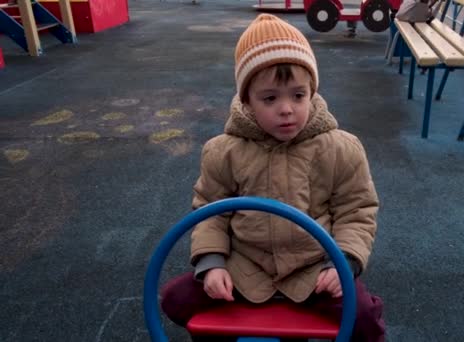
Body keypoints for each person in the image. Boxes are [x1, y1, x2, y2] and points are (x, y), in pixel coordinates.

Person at [160, 13, 384, 342]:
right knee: (175, 299)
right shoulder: (224, 151)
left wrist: (343, 263)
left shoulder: (341, 148)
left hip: (313, 269)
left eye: (298, 95)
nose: (286, 109)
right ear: (247, 101)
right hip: (245, 267)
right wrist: (212, 262)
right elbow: (210, 210)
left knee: (363, 317)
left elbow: (357, 210)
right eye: (270, 98)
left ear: (312, 92)